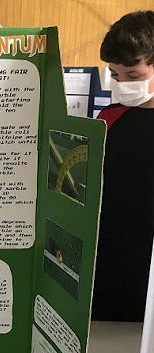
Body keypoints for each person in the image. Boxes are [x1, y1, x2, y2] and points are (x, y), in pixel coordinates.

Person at [92, 10, 154, 321]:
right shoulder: (109, 117)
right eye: (115, 75)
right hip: (109, 263)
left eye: (133, 75)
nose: (122, 84)